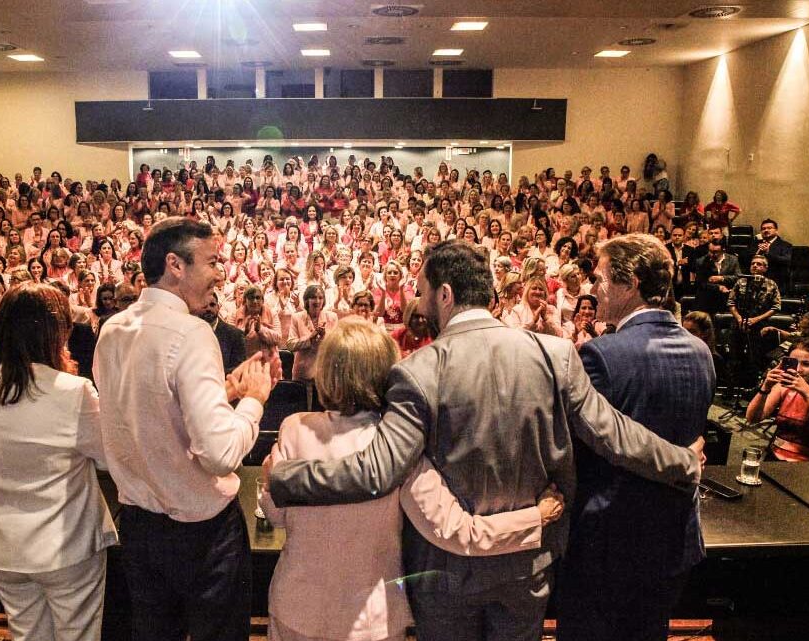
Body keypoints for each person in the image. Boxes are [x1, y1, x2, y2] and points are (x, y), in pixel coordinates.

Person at [266, 241, 703, 641]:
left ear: (446, 294)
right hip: (528, 564)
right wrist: (683, 462)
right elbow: (616, 435)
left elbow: (376, 470)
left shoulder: (417, 370)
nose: (417, 303)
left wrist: (285, 479)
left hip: (443, 574)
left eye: (421, 291)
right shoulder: (555, 355)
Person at [260, 318, 566, 641]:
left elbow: (274, 514)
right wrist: (535, 517)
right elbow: (457, 530)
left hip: (295, 607)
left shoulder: (294, 427)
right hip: (370, 620)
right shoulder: (396, 446)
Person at [94, 218, 275, 641]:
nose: (220, 272)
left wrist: (225, 389)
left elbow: (152, 407)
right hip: (202, 536)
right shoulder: (192, 333)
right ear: (175, 265)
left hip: (140, 529)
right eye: (212, 262)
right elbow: (219, 455)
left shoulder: (112, 330)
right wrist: (253, 400)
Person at [556, 234, 716, 641]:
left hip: (608, 544)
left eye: (602, 278)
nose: (593, 288)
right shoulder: (701, 351)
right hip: (674, 539)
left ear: (630, 285)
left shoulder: (602, 355)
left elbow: (575, 449)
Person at [0, 283, 119, 641]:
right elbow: (110, 460)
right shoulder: (73, 391)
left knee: (27, 635)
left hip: (2, 545)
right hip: (66, 545)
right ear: (57, 332)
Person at [746, 338, 809, 462]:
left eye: (806, 364)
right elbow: (752, 418)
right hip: (776, 459)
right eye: (794, 363)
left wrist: (807, 392)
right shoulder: (783, 388)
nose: (798, 369)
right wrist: (765, 387)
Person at [727, 255, 781, 371]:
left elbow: (776, 307)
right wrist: (739, 318)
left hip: (759, 324)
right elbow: (731, 302)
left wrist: (756, 319)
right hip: (739, 322)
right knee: (735, 355)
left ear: (765, 268)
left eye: (759, 264)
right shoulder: (741, 282)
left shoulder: (771, 284)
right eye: (753, 264)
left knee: (756, 356)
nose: (755, 266)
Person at [199, 290, 248, 374]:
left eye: (212, 305)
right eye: (204, 306)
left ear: (218, 307)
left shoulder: (235, 335)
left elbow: (239, 368)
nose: (208, 309)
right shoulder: (191, 333)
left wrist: (214, 374)